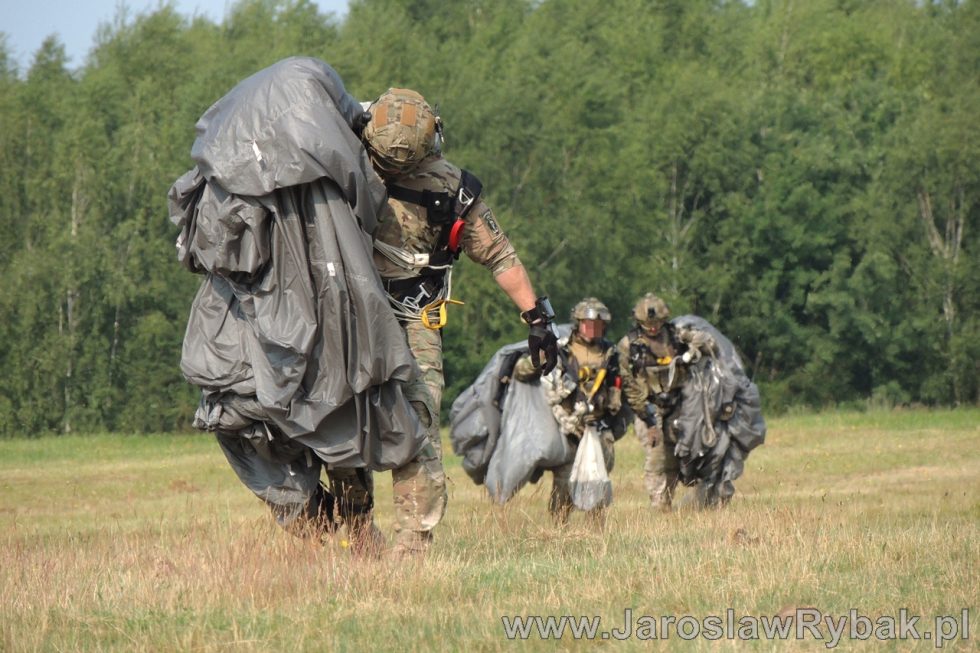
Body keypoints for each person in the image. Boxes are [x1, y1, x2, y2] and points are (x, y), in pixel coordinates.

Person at [330, 88, 560, 554]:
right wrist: (537, 320)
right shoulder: (446, 187)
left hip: (367, 321)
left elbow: (499, 255)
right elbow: (500, 256)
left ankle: (391, 538)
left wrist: (537, 320)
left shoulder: (338, 164)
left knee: (364, 422)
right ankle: (386, 537)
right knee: (386, 423)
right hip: (380, 319)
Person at [617, 293, 765, 510]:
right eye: (648, 324)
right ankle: (661, 505)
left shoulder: (676, 335)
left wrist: (699, 343)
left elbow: (709, 345)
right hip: (648, 408)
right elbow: (628, 383)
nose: (653, 328)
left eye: (657, 323)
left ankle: (694, 499)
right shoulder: (628, 345)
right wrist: (647, 419)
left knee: (685, 454)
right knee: (658, 457)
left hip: (680, 405)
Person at [512, 297, 625, 526]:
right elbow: (521, 372)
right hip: (567, 427)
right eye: (587, 323)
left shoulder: (611, 354)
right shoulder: (562, 349)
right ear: (578, 323)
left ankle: (596, 531)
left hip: (599, 427)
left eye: (597, 324)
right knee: (564, 483)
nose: (592, 328)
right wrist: (540, 357)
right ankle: (558, 530)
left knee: (598, 479)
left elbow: (624, 386)